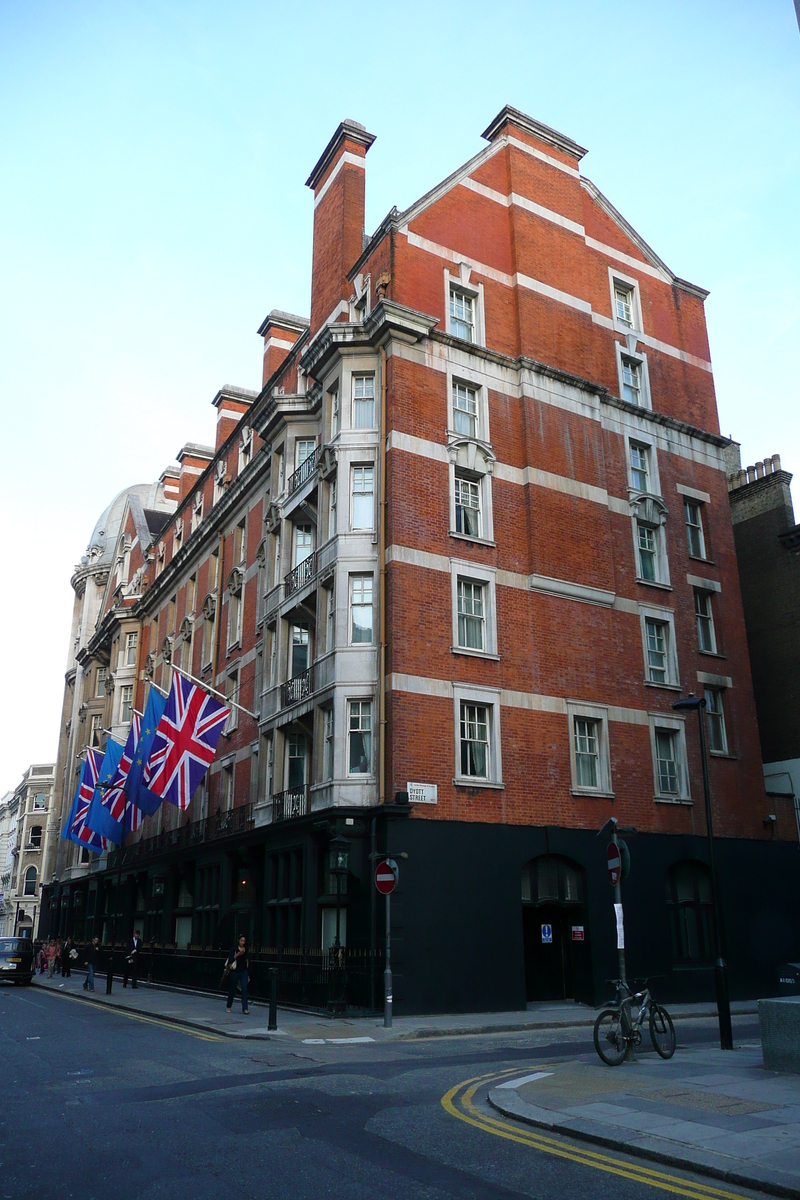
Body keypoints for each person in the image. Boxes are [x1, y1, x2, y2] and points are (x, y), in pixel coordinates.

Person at [225, 935, 250, 1014]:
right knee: (232, 989)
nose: (242, 942)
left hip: (243, 971)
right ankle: (229, 1006)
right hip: (235, 971)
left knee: (244, 989)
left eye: (244, 941)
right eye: (241, 940)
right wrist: (238, 954)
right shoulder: (234, 949)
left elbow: (247, 961)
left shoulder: (246, 950)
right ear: (238, 940)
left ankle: (245, 1008)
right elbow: (230, 959)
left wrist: (248, 974)